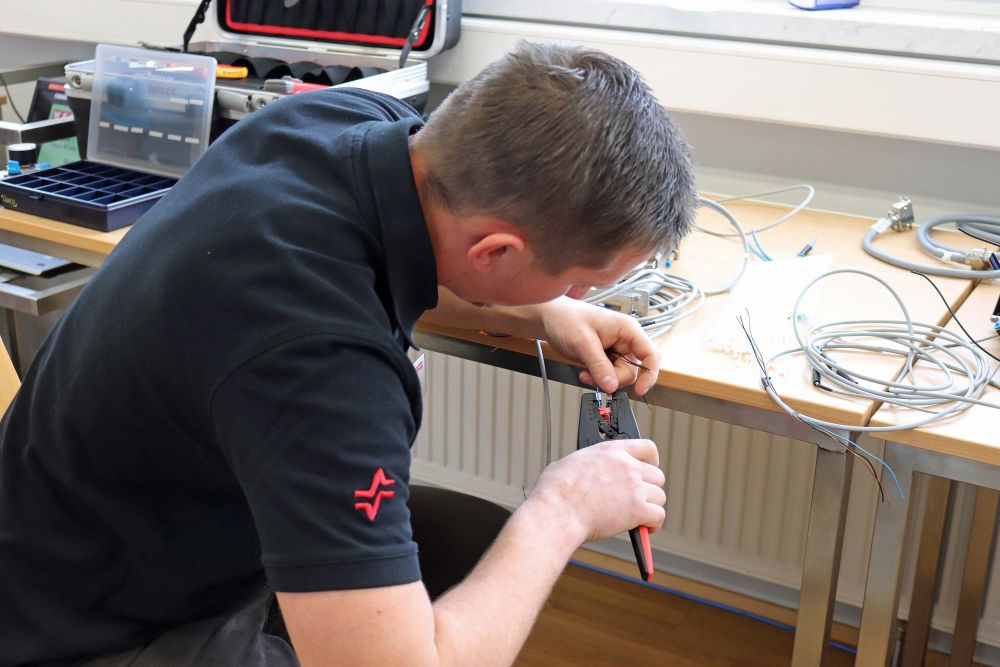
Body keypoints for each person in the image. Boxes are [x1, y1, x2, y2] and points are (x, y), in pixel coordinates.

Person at [0, 41, 695, 666]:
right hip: (91, 632)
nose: (580, 294)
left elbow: (394, 260)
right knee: (520, 544)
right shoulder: (322, 371)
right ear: (496, 251)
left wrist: (542, 307)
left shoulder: (340, 124)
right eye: (581, 280)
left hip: (97, 527)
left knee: (480, 541)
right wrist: (565, 507)